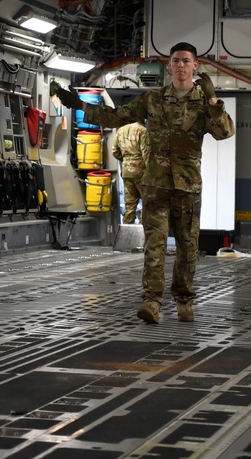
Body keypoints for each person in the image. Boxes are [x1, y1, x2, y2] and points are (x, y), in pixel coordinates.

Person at [53, 42, 235, 324]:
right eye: (176, 61)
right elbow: (117, 117)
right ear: (169, 65)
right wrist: (81, 107)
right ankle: (152, 302)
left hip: (187, 188)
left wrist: (212, 101)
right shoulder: (153, 99)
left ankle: (184, 301)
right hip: (156, 185)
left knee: (188, 247)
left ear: (195, 66)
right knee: (154, 245)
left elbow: (224, 132)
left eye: (186, 61)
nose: (181, 65)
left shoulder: (202, 103)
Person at [112, 121, 150, 224]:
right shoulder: (143, 131)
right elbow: (146, 153)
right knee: (147, 203)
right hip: (141, 171)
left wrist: (127, 161)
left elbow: (115, 151)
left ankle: (127, 232)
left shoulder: (121, 130)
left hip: (126, 171)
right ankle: (142, 231)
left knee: (129, 205)